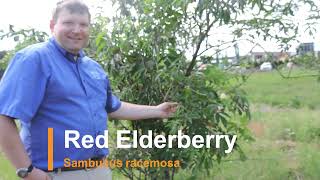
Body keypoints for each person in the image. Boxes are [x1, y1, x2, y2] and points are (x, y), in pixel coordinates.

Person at [0, 0, 178, 179]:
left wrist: (157, 110)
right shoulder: (33, 60)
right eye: (68, 23)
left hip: (99, 170)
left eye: (83, 24)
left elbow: (113, 108)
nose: (77, 30)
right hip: (57, 174)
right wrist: (27, 172)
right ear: (52, 25)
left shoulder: (93, 68)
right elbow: (3, 116)